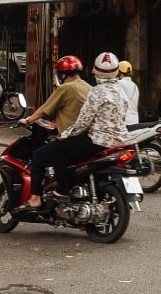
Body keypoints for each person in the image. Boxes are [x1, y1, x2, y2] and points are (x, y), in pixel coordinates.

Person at [23, 51, 130, 209]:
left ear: (96, 70)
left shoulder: (96, 92)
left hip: (97, 141)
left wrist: (66, 135)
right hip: (120, 142)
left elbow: (83, 122)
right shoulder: (121, 92)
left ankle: (60, 191)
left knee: (58, 150)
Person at [20, 55, 91, 133]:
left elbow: (44, 110)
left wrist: (27, 120)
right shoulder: (89, 87)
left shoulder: (66, 87)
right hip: (85, 136)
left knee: (45, 146)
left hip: (69, 136)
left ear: (63, 74)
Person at [117, 60, 140, 124]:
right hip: (135, 121)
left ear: (119, 72)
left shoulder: (119, 83)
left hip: (125, 122)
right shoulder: (135, 86)